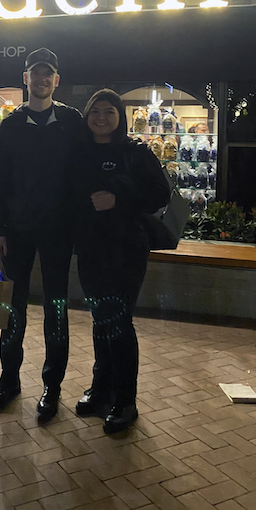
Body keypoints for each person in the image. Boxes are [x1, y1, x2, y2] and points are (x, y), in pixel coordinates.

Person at [0, 48, 82, 420]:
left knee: (56, 309)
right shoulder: (10, 126)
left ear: (56, 81)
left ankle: (52, 387)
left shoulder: (72, 122)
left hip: (58, 233)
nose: (41, 80)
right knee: (12, 310)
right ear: (24, 78)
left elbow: (85, 170)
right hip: (18, 234)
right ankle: (8, 381)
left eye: (48, 74)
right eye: (34, 73)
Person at [72, 89, 170, 433]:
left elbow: (161, 194)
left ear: (120, 116)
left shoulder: (136, 153)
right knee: (101, 319)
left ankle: (125, 400)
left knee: (119, 320)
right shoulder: (79, 153)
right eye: (95, 111)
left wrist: (118, 198)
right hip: (91, 247)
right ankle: (101, 389)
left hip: (127, 247)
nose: (101, 118)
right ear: (87, 116)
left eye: (109, 112)